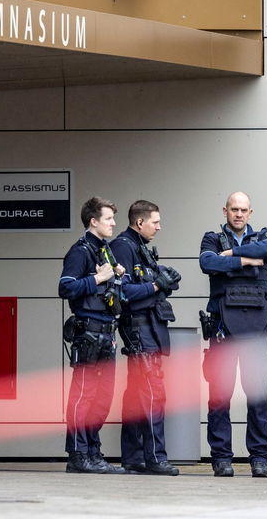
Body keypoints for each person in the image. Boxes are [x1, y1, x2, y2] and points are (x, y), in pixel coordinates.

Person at [198, 192, 267, 478]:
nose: (239, 214)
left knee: (257, 394)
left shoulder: (263, 236)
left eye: (244, 210)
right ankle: (221, 457)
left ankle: (259, 457)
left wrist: (231, 256)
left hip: (256, 329)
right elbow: (207, 262)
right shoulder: (211, 239)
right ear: (225, 211)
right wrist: (247, 262)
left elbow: (266, 251)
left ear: (250, 213)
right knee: (220, 395)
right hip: (222, 329)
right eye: (234, 209)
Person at [111, 200, 181, 476]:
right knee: (154, 394)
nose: (159, 227)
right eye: (155, 222)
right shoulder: (123, 246)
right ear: (140, 222)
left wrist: (165, 281)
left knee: (137, 398)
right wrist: (156, 284)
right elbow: (124, 292)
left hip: (148, 328)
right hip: (138, 329)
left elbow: (148, 286)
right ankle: (156, 459)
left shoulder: (138, 247)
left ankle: (134, 458)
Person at [58, 196, 127, 474]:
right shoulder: (81, 251)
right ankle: (77, 454)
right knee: (83, 395)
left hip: (107, 333)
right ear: (93, 221)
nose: (113, 223)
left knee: (102, 398)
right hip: (88, 333)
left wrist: (116, 274)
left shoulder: (105, 250)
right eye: (108, 218)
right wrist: (98, 279)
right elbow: (65, 287)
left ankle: (93, 452)